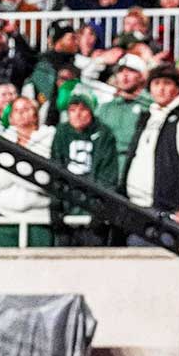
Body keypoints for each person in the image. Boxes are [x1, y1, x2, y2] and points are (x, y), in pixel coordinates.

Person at [123, 64, 179, 226]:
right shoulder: (149, 117)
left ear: (178, 88)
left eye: (167, 83)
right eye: (156, 84)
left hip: (170, 214)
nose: (161, 89)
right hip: (138, 207)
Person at [50, 87, 119, 246]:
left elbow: (108, 175)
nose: (77, 114)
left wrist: (100, 209)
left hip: (92, 214)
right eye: (72, 110)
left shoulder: (104, 134)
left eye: (83, 109)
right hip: (67, 212)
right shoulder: (61, 132)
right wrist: (56, 206)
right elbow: (55, 169)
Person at [0, 97, 56, 247]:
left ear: (35, 114)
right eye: (17, 110)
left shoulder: (50, 139)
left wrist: (8, 166)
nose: (21, 113)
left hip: (39, 217)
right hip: (6, 216)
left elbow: (44, 181)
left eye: (26, 109)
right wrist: (28, 170)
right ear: (10, 117)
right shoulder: (0, 141)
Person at [96, 54, 148, 177]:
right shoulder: (105, 108)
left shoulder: (150, 106)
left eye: (130, 71)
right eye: (120, 71)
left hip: (138, 168)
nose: (124, 75)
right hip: (107, 168)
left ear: (141, 76)